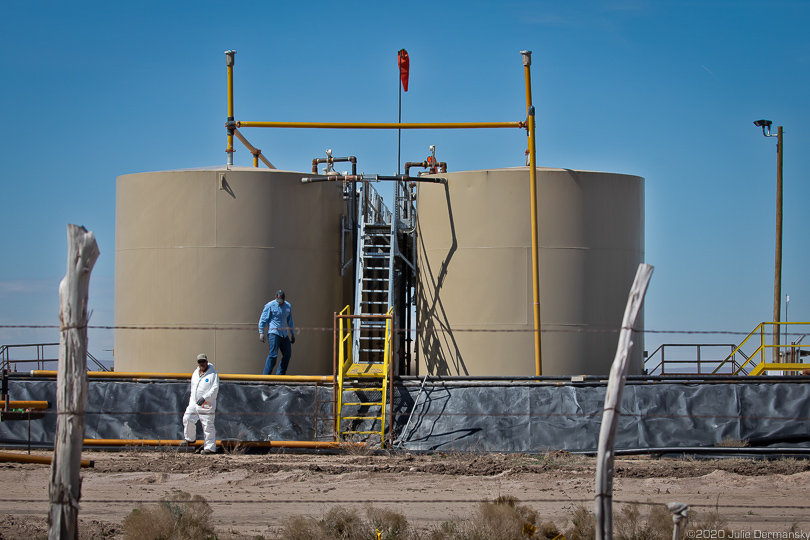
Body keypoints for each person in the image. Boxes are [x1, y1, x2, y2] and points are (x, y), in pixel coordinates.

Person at [181, 353, 220, 454]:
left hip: (207, 404)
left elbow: (214, 389)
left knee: (207, 425)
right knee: (187, 418)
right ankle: (189, 439)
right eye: (200, 362)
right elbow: (193, 388)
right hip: (194, 402)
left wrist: (204, 398)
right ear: (198, 363)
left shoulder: (213, 374)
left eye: (203, 361)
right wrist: (192, 401)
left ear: (207, 362)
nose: (202, 363)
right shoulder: (195, 373)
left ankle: (210, 448)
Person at [259, 290, 296, 375]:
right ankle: (266, 376)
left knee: (287, 354)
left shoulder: (288, 306)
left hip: (284, 334)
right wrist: (261, 332)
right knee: (273, 355)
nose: (280, 302)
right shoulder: (270, 305)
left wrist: (292, 333)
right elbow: (263, 319)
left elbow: (290, 321)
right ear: (275, 297)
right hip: (274, 333)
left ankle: (280, 375)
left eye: (281, 300)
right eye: (278, 300)